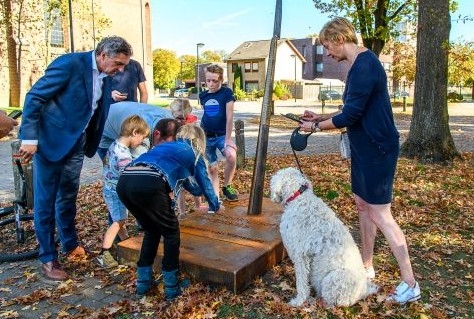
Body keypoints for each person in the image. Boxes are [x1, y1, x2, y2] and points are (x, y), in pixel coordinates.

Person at [299, 17, 420, 305]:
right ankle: (367, 268)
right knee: (363, 206)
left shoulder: (365, 64)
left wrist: (316, 128)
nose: (327, 53)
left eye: (328, 46)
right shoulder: (357, 66)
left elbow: (351, 116)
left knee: (381, 215)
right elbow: (354, 106)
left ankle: (410, 282)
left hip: (378, 149)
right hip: (363, 148)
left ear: (339, 38)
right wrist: (321, 117)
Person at [18, 36, 133, 281]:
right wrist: (29, 137)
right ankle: (48, 259)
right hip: (50, 143)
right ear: (102, 55)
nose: (121, 69)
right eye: (118, 63)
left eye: (124, 65)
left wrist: (107, 98)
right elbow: (35, 97)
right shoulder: (69, 64)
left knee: (68, 196)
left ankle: (70, 244)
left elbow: (87, 101)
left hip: (77, 145)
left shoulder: (105, 74)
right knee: (46, 202)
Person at [116, 119, 223, 301]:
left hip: (125, 181)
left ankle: (143, 283)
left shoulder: (167, 148)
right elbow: (204, 182)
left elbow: (191, 186)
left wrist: (198, 192)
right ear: (199, 140)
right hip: (150, 182)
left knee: (152, 230)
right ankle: (172, 287)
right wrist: (215, 205)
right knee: (171, 233)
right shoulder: (193, 151)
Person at [96, 115, 150, 269]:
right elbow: (130, 177)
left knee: (120, 220)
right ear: (134, 132)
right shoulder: (123, 155)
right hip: (115, 192)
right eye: (142, 138)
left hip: (110, 188)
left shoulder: (115, 145)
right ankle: (104, 253)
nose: (141, 142)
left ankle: (125, 243)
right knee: (118, 222)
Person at [199, 64, 238, 202]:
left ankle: (227, 187)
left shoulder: (227, 93)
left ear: (221, 79)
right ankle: (215, 199)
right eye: (208, 80)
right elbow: (207, 116)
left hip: (222, 136)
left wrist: (228, 139)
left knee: (231, 155)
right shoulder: (202, 96)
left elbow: (230, 116)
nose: (211, 84)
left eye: (215, 80)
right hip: (206, 137)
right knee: (212, 168)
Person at [98, 101, 172, 161]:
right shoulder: (142, 130)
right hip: (102, 124)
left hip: (115, 112)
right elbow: (136, 167)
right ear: (157, 134)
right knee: (110, 163)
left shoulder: (169, 120)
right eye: (165, 144)